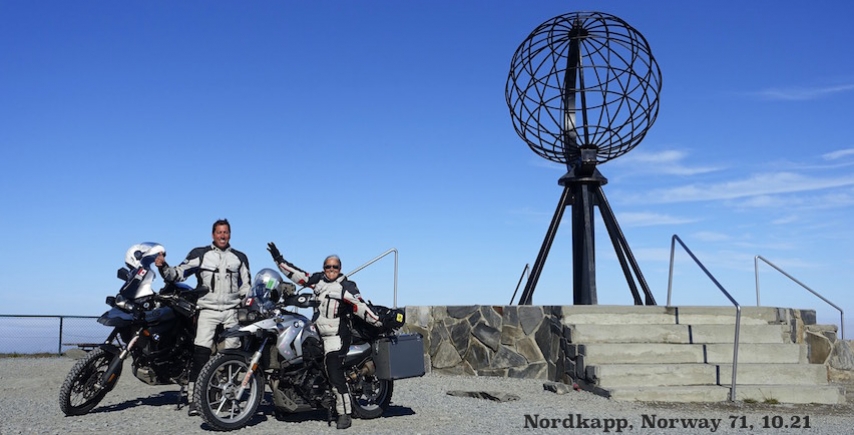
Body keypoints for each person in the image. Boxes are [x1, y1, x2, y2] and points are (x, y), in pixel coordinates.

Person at [267, 242, 382, 430]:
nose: (331, 270)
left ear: (340, 268)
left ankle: (344, 413)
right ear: (323, 268)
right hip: (317, 332)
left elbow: (360, 306)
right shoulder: (318, 281)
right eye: (328, 267)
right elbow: (298, 275)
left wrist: (377, 321)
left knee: (333, 368)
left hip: (336, 335)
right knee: (300, 358)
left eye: (334, 267)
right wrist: (278, 260)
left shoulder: (346, 286)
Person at [155, 219, 251, 416]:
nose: (222, 236)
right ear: (212, 235)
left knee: (231, 354)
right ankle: (195, 399)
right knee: (201, 353)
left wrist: (246, 304)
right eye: (219, 232)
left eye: (225, 232)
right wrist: (163, 266)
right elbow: (178, 274)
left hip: (232, 312)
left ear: (230, 234)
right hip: (207, 310)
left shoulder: (240, 257)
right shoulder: (200, 254)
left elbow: (246, 286)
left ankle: (223, 395)